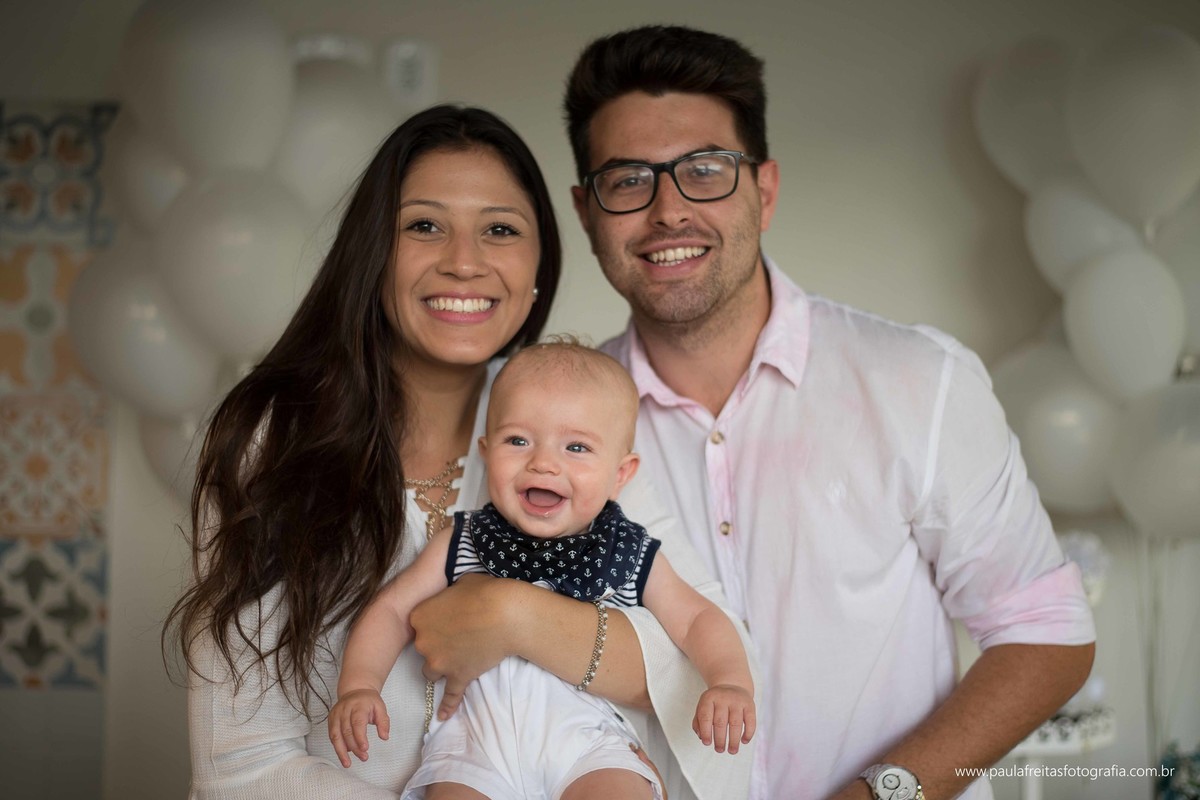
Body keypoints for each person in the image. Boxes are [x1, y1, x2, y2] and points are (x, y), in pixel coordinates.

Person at [562, 25, 1097, 800]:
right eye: (627, 181)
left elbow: (1045, 634)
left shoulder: (919, 380)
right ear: (587, 212)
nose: (668, 210)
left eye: (705, 170)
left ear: (765, 191)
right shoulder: (545, 436)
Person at [166, 104, 751, 799]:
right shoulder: (272, 440)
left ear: (538, 266)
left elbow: (708, 659)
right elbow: (241, 765)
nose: (465, 262)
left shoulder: (574, 428)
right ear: (373, 255)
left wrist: (511, 615)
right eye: (424, 225)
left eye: (500, 229)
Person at [327, 340, 756, 800]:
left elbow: (697, 618)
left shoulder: (627, 551)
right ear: (486, 452)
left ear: (621, 474)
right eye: (518, 441)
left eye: (576, 447)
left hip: (588, 745)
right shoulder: (464, 537)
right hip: (475, 749)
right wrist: (359, 685)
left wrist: (728, 681)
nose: (544, 463)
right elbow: (392, 610)